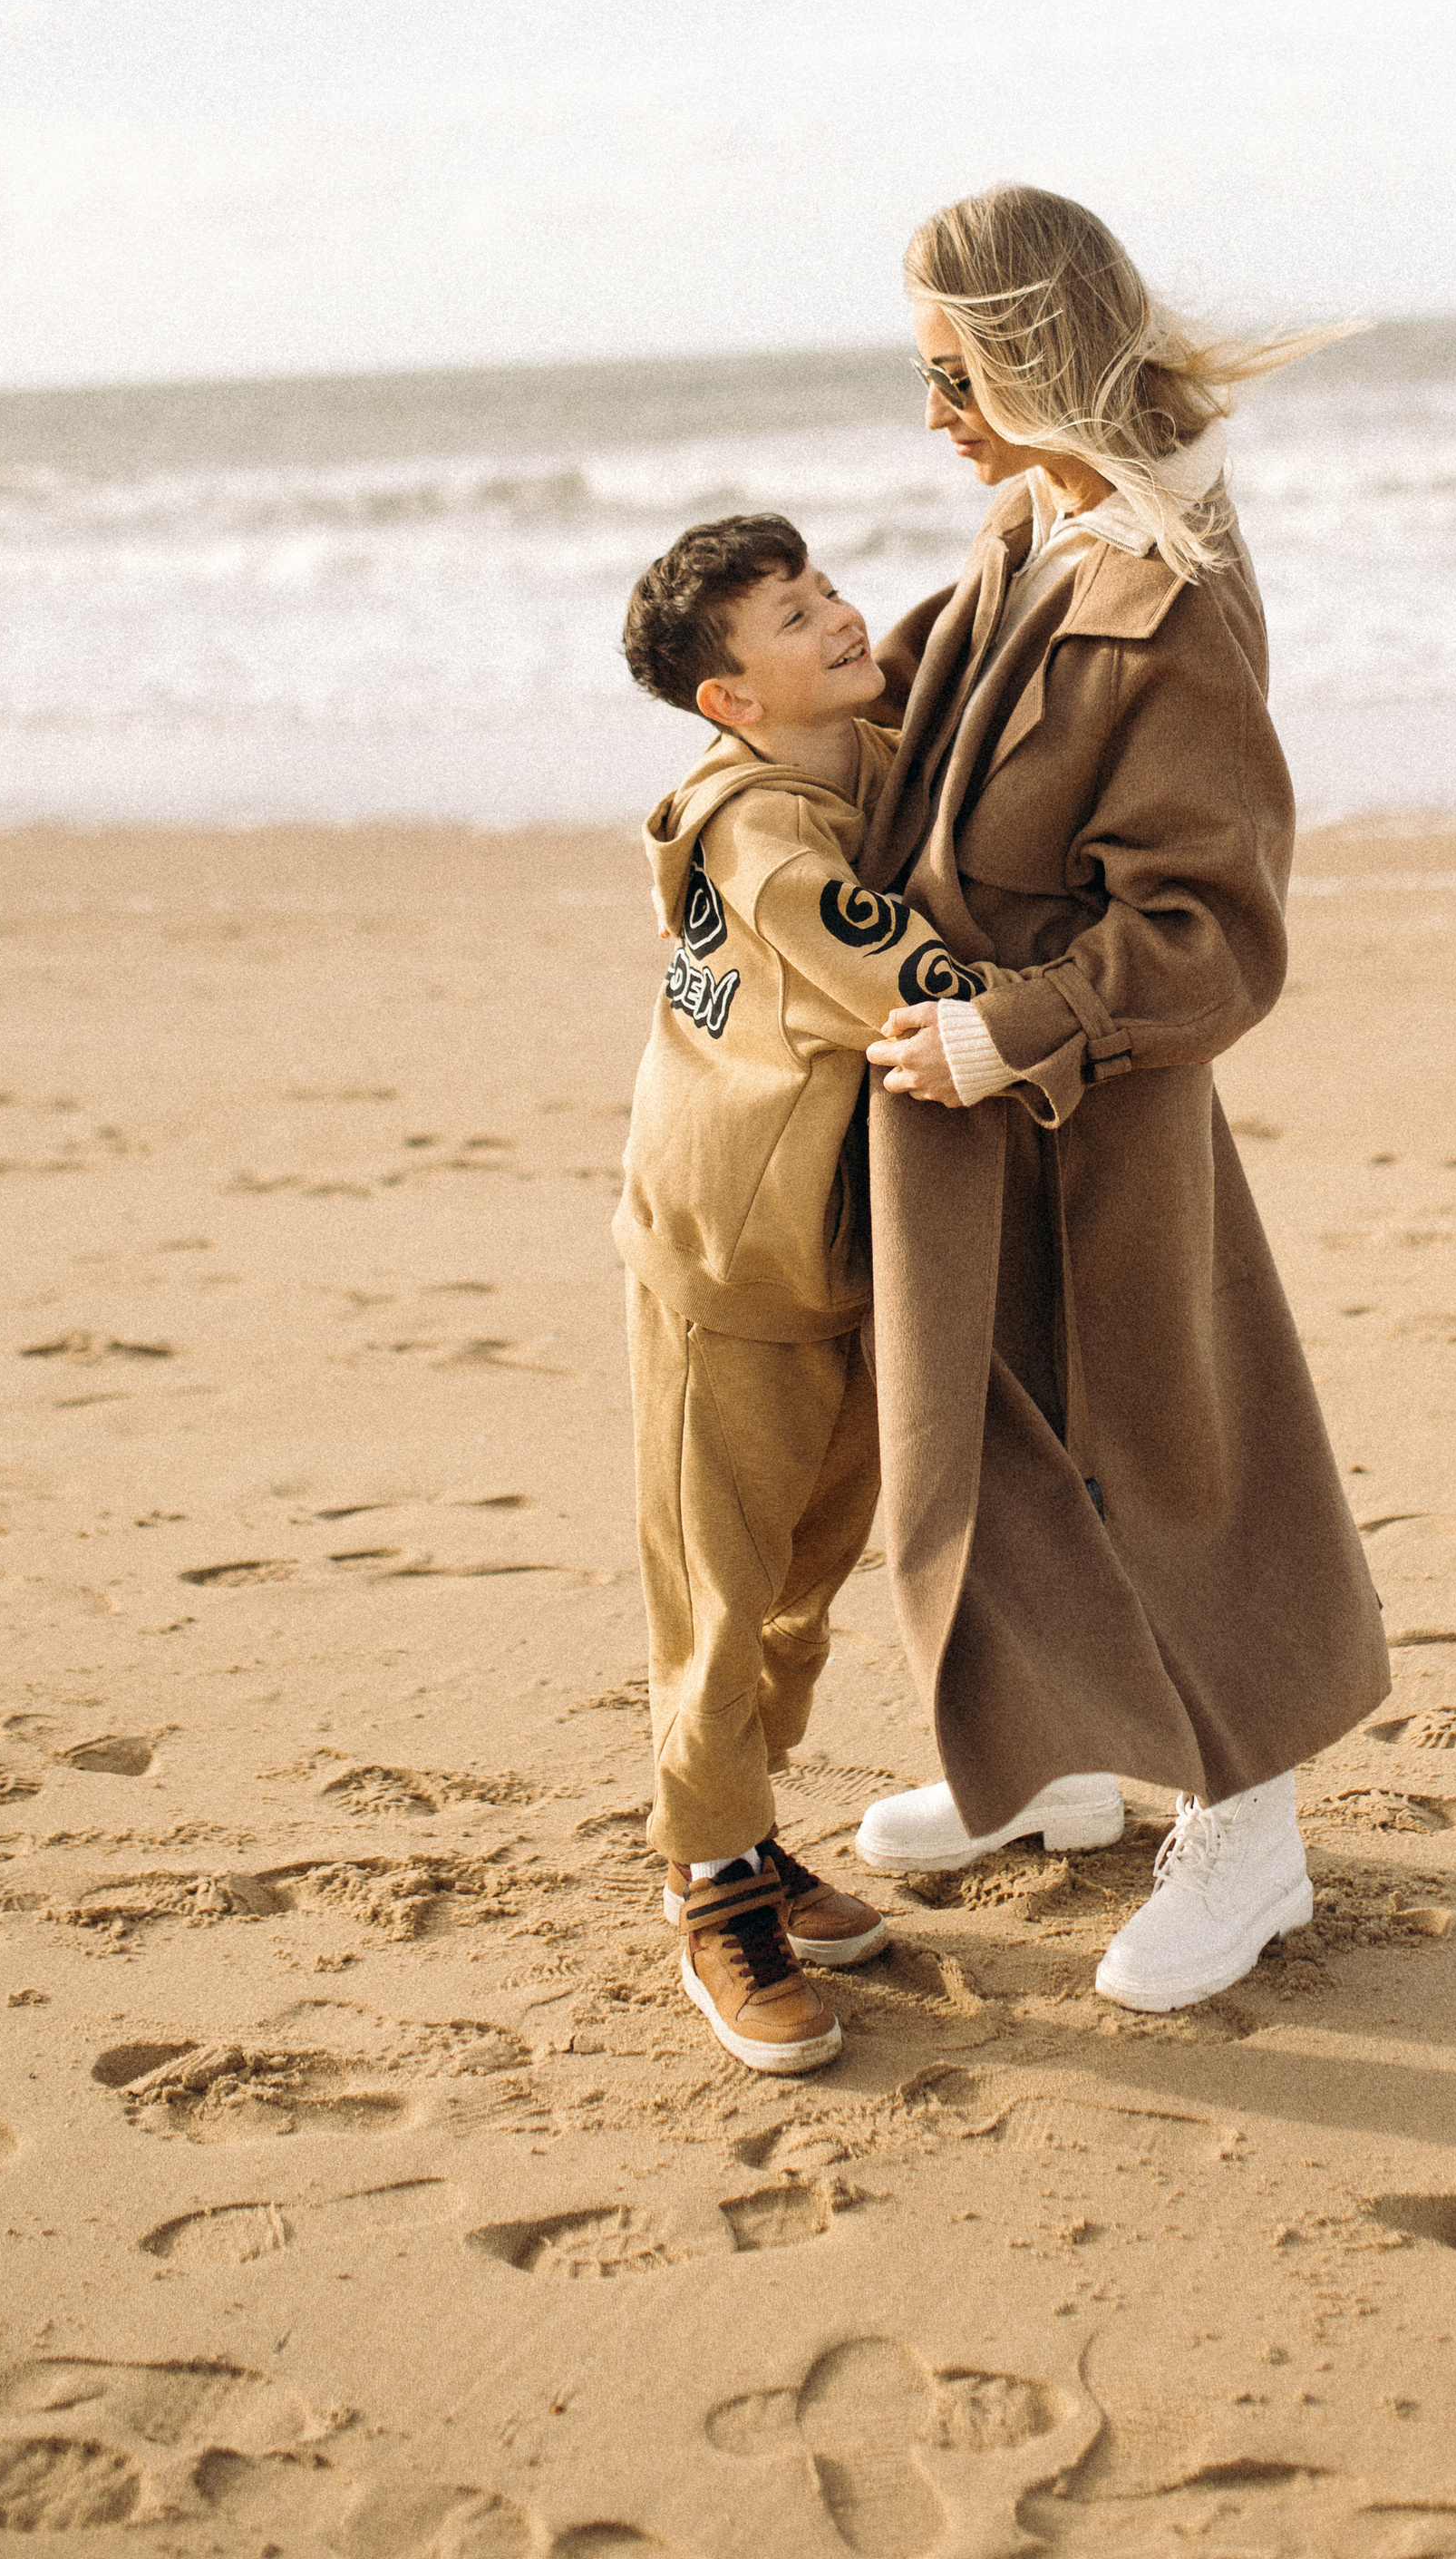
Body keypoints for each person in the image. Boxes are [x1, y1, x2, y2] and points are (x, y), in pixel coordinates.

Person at [851, 183, 1391, 2012]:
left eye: (950, 375)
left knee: (1157, 1451)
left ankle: (1248, 1830)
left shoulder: (1165, 589)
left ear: (1027, 360)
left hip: (1093, 1119)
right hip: (956, 1111)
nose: (929, 417)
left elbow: (1216, 936)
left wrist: (1020, 1028)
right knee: (982, 1443)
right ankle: (1057, 1758)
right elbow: (897, 736)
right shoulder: (1032, 523)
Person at [614, 511, 996, 2073]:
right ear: (733, 701)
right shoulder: (766, 840)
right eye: (793, 616)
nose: (841, 617)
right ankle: (708, 1886)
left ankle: (748, 1834)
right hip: (728, 1269)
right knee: (719, 1600)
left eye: (827, 585)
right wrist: (1097, 1006)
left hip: (825, 1261)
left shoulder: (846, 752)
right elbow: (920, 982)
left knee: (796, 1586)